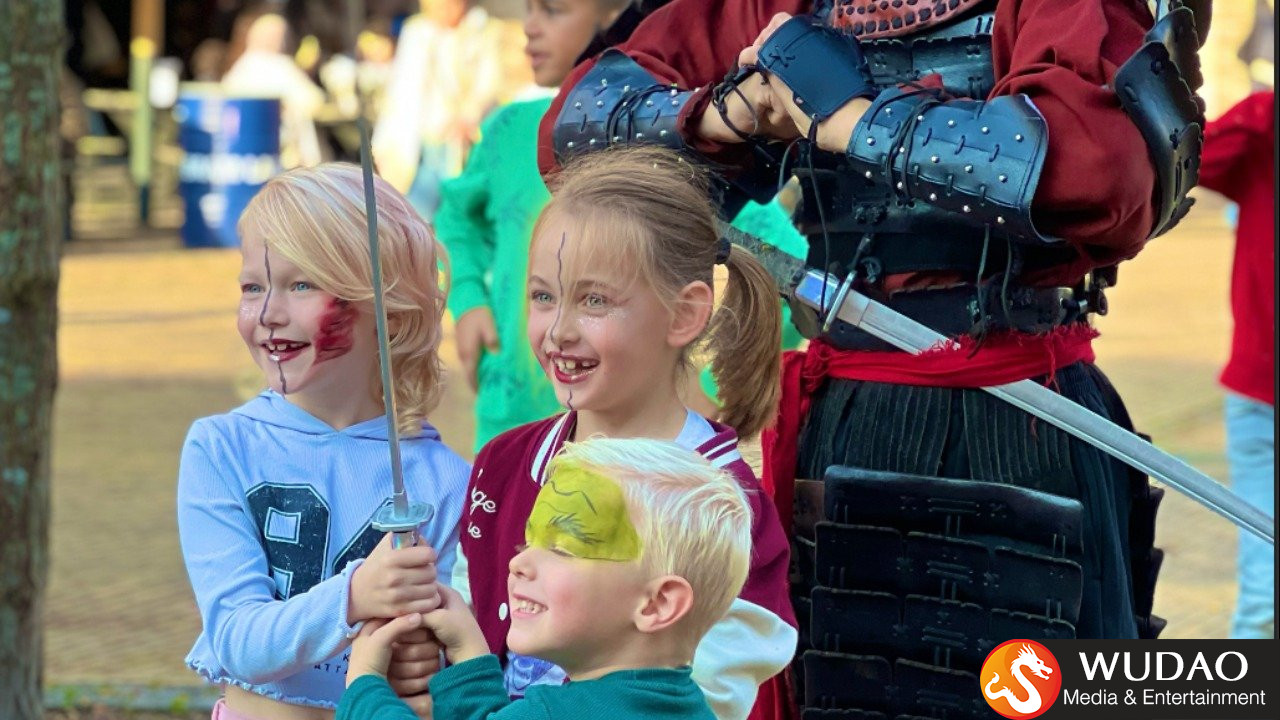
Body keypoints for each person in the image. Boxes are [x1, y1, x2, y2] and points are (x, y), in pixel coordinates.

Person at [539, 0, 1206, 716]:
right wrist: (726, 113)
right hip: (847, 420)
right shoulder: (782, 6)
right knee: (846, 687)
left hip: (1019, 415)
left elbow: (1100, 166)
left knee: (1032, 688)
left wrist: (852, 117)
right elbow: (575, 133)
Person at [447, 147, 796, 720]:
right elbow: (473, 616)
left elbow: (714, 689)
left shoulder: (719, 501)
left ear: (684, 316)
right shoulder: (505, 462)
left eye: (594, 301)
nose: (558, 330)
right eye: (543, 296)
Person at [436, 0, 808, 452]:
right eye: (528, 11)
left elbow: (786, 268)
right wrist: (470, 298)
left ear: (617, 21)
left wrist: (710, 380)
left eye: (553, 11)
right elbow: (457, 216)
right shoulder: (505, 129)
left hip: (629, 448)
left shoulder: (673, 156)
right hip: (508, 423)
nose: (529, 29)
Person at [177, 162, 469, 719]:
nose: (267, 313)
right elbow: (238, 639)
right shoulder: (220, 449)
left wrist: (433, 658)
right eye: (252, 287)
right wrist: (355, 597)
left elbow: (465, 645)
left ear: (386, 304)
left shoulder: (447, 480)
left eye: (302, 284)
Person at [339, 437, 755, 720]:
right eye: (528, 542)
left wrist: (364, 687)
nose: (518, 564)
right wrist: (469, 654)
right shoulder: (685, 706)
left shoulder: (557, 712)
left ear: (657, 604)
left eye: (561, 548)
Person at [1197, 89, 1275, 640]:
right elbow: (1188, 159)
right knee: (1263, 594)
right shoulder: (1265, 134)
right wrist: (1261, 111)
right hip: (1258, 394)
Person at [371, 0, 528, 220]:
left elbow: (490, 83)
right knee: (415, 217)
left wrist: (468, 117)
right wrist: (386, 141)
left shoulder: (483, 30)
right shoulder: (417, 32)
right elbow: (401, 90)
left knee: (459, 217)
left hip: (462, 143)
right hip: (418, 142)